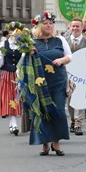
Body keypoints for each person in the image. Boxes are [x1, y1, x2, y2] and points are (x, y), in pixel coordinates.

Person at [26, 12, 71, 156]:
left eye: (51, 23)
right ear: (39, 26)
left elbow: (70, 55)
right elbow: (24, 63)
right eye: (45, 23)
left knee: (58, 111)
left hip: (58, 81)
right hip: (39, 82)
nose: (49, 25)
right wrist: (29, 53)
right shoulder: (31, 43)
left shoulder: (59, 40)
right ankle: (45, 143)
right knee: (43, 112)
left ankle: (56, 142)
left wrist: (62, 60)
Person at [65, 18, 86, 136]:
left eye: (78, 26)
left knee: (79, 98)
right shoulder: (65, 41)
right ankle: (72, 120)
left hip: (81, 73)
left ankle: (78, 122)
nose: (75, 28)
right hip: (67, 74)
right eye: (74, 26)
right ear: (70, 27)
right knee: (70, 99)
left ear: (82, 28)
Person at [0, 23, 23, 135]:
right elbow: (0, 62)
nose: (14, 32)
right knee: (9, 98)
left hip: (20, 75)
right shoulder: (3, 44)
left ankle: (13, 123)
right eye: (12, 30)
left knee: (19, 99)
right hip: (7, 74)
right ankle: (14, 123)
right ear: (9, 32)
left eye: (16, 30)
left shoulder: (23, 44)